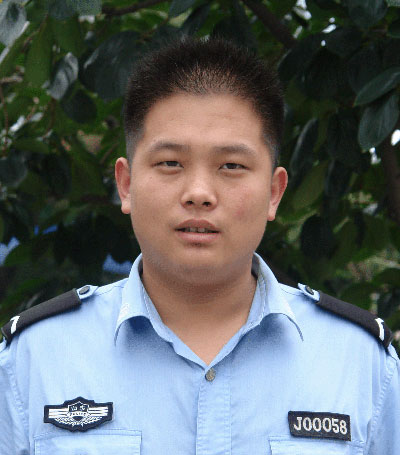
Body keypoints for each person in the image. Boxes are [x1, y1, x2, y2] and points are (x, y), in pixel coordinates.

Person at [0, 36, 398, 455]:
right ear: (126, 184)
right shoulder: (32, 360)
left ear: (274, 192)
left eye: (231, 165)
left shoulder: (361, 363)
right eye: (170, 163)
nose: (199, 193)